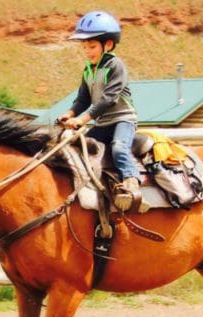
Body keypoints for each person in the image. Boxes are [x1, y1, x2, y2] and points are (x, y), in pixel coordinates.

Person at [55, 10, 141, 211]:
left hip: (122, 120)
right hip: (102, 123)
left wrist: (82, 120)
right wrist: (69, 113)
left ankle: (131, 181)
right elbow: (82, 99)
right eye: (84, 47)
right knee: (80, 148)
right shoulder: (88, 70)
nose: (88, 51)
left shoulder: (116, 66)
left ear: (108, 45)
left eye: (92, 46)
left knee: (119, 147)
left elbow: (107, 99)